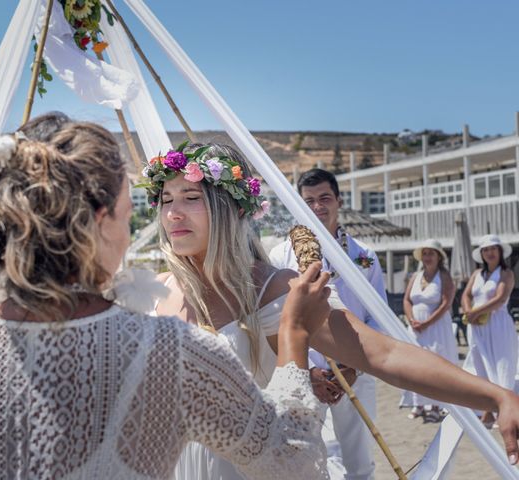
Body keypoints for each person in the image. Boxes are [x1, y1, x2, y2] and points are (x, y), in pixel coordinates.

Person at [0, 114, 335, 479]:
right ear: (101, 224)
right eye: (126, 214)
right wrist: (294, 336)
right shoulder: (171, 353)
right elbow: (289, 461)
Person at [145, 147, 519, 479]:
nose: (173, 213)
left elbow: (383, 354)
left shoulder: (274, 289)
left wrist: (496, 397)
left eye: (190, 197)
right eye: (165, 200)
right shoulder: (150, 293)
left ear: (229, 208)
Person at [269, 168, 384, 480]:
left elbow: (378, 317)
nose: (318, 206)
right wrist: (309, 370)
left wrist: (354, 367)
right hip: (307, 374)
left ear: (338, 201)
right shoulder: (281, 256)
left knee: (360, 463)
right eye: (309, 201)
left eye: (324, 198)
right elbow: (276, 319)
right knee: (316, 460)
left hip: (356, 371)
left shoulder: (365, 256)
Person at [462, 234, 517, 428]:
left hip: (498, 324)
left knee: (501, 365)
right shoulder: (477, 274)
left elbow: (501, 298)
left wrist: (475, 312)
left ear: (500, 252)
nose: (489, 252)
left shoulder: (506, 273)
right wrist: (468, 311)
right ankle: (488, 412)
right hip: (477, 326)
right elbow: (466, 294)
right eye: (485, 249)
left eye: (493, 248)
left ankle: (503, 410)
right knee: (481, 366)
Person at [401, 239, 458, 422]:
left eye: (431, 253)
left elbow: (446, 303)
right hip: (415, 325)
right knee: (414, 364)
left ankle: (435, 405)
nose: (427, 257)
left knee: (435, 364)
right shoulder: (416, 276)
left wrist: (427, 323)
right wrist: (411, 319)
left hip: (436, 325)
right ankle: (418, 404)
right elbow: (407, 300)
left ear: (438, 257)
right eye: (425, 253)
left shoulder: (444, 276)